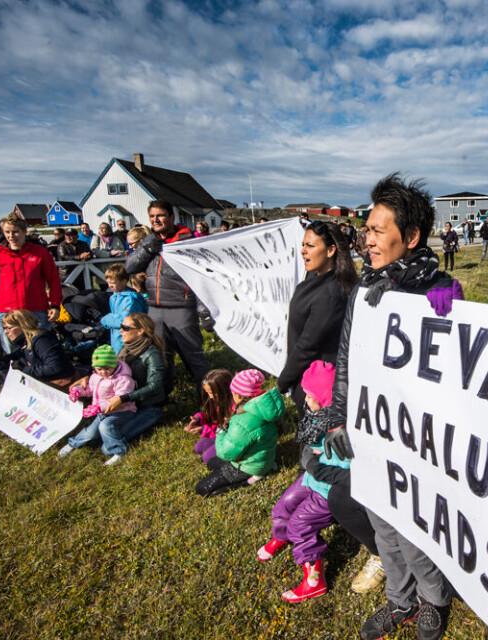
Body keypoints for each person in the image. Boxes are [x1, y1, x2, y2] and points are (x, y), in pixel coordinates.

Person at [321, 173, 461, 640]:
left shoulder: (436, 290)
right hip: (370, 427)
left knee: (415, 529)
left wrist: (452, 314)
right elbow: (346, 357)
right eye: (367, 228)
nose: (368, 238)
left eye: (380, 230)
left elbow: (456, 374)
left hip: (414, 437)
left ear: (412, 237)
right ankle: (399, 602)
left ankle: (433, 601)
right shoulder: (367, 287)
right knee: (382, 523)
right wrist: (339, 414)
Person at [259, 360, 347, 603]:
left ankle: (314, 579)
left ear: (326, 397)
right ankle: (282, 534)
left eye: (310, 396)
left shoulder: (343, 429)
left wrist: (317, 462)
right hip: (311, 476)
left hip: (328, 488)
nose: (306, 401)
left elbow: (344, 467)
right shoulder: (320, 415)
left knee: (301, 524)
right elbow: (311, 447)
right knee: (284, 505)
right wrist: (311, 459)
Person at [276, 220, 356, 420]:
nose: (303, 251)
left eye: (310, 246)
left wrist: (282, 382)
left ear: (330, 251)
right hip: (305, 378)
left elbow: (307, 346)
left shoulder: (330, 293)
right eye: (303, 245)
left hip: (317, 388)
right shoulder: (314, 278)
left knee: (314, 447)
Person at [125, 200, 209, 390]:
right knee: (161, 356)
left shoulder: (187, 240)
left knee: (193, 355)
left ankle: (209, 398)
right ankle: (161, 397)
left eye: (161, 215)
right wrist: (146, 249)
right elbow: (130, 267)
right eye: (152, 216)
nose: (156, 220)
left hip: (181, 307)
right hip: (155, 308)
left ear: (172, 217)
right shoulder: (149, 241)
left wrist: (203, 309)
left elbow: (201, 275)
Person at [0, 213, 62, 353]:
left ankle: (43, 374)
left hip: (35, 309)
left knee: (41, 349)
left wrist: (55, 304)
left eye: (15, 232)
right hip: (5, 310)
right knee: (13, 351)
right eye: (7, 232)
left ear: (24, 232)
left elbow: (53, 280)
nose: (11, 236)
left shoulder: (39, 253)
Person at [194, 369, 284, 497]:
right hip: (262, 458)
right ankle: (266, 467)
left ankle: (249, 480)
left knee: (202, 489)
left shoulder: (243, 421)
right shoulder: (264, 408)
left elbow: (226, 452)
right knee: (212, 463)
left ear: (239, 396)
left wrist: (220, 434)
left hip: (247, 466)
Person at [59, 345, 137, 466]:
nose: (104, 372)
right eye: (99, 369)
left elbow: (122, 398)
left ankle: (119, 451)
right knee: (90, 431)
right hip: (102, 412)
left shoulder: (123, 379)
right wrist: (78, 391)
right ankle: (72, 444)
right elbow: (90, 388)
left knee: (106, 426)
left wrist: (99, 408)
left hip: (123, 411)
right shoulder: (96, 376)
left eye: (107, 368)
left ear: (114, 365)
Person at [103, 312, 168, 444]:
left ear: (140, 331)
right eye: (121, 326)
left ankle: (152, 423)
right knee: (103, 434)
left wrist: (123, 398)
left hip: (149, 406)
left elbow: (155, 386)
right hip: (129, 405)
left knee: (113, 437)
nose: (120, 330)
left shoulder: (152, 353)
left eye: (126, 328)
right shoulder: (125, 350)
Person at [0, 309, 75, 388]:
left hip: (60, 381)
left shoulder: (42, 341)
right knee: (3, 374)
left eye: (9, 328)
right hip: (46, 380)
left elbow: (55, 367)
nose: (6, 332)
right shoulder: (22, 343)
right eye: (4, 328)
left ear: (22, 325)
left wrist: (24, 369)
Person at [185, 368, 233, 465]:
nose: (210, 397)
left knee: (207, 458)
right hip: (219, 432)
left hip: (229, 437)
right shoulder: (216, 401)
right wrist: (198, 419)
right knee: (198, 448)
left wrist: (203, 429)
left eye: (212, 393)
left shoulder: (233, 406)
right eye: (208, 393)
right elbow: (211, 417)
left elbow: (227, 430)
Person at [100, 264, 148, 354]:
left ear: (124, 281)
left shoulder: (131, 299)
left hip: (130, 339)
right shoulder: (113, 297)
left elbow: (125, 321)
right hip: (117, 338)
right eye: (108, 283)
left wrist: (106, 319)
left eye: (113, 283)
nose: (110, 286)